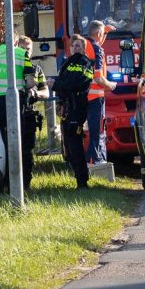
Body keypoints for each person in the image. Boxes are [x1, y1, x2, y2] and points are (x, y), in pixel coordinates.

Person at [0, 35, 46, 190]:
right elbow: (30, 83)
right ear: (16, 41)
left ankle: (0, 183)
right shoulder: (22, 54)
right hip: (15, 102)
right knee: (16, 142)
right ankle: (17, 183)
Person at [52, 34, 94, 189]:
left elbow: (75, 84)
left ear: (83, 48)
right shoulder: (66, 63)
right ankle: (78, 176)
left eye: (78, 46)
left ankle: (82, 182)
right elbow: (63, 83)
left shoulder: (86, 63)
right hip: (67, 108)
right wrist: (59, 103)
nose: (75, 48)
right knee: (68, 147)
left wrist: (56, 85)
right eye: (73, 45)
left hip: (77, 107)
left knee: (75, 145)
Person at [84, 20, 117, 165]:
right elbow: (98, 77)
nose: (104, 38)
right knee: (97, 130)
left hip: (84, 96)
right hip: (95, 97)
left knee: (91, 130)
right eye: (103, 34)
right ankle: (96, 161)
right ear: (98, 34)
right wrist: (111, 85)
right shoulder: (97, 49)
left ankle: (91, 161)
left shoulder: (84, 44)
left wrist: (106, 31)